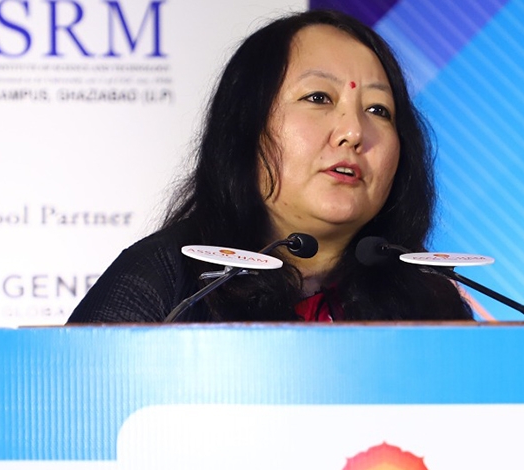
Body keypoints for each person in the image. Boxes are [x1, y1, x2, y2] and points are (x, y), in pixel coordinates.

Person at [67, 10, 472, 323]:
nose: (352, 132)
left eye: (378, 109)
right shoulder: (167, 281)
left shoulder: (432, 302)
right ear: (247, 126)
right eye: (318, 98)